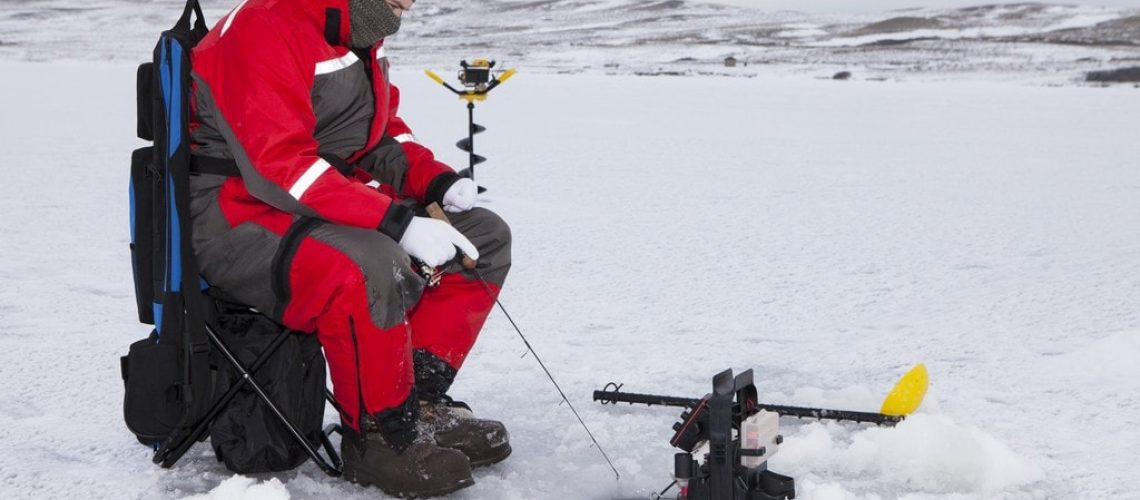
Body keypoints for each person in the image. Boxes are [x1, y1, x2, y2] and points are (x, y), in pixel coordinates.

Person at [187, 0, 511, 495]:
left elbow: (376, 135)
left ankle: (415, 404)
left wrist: (433, 180)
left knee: (482, 238)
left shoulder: (358, 29)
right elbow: (280, 168)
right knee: (368, 264)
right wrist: (394, 220)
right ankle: (380, 437)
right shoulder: (264, 26)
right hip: (238, 218)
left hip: (313, 206)